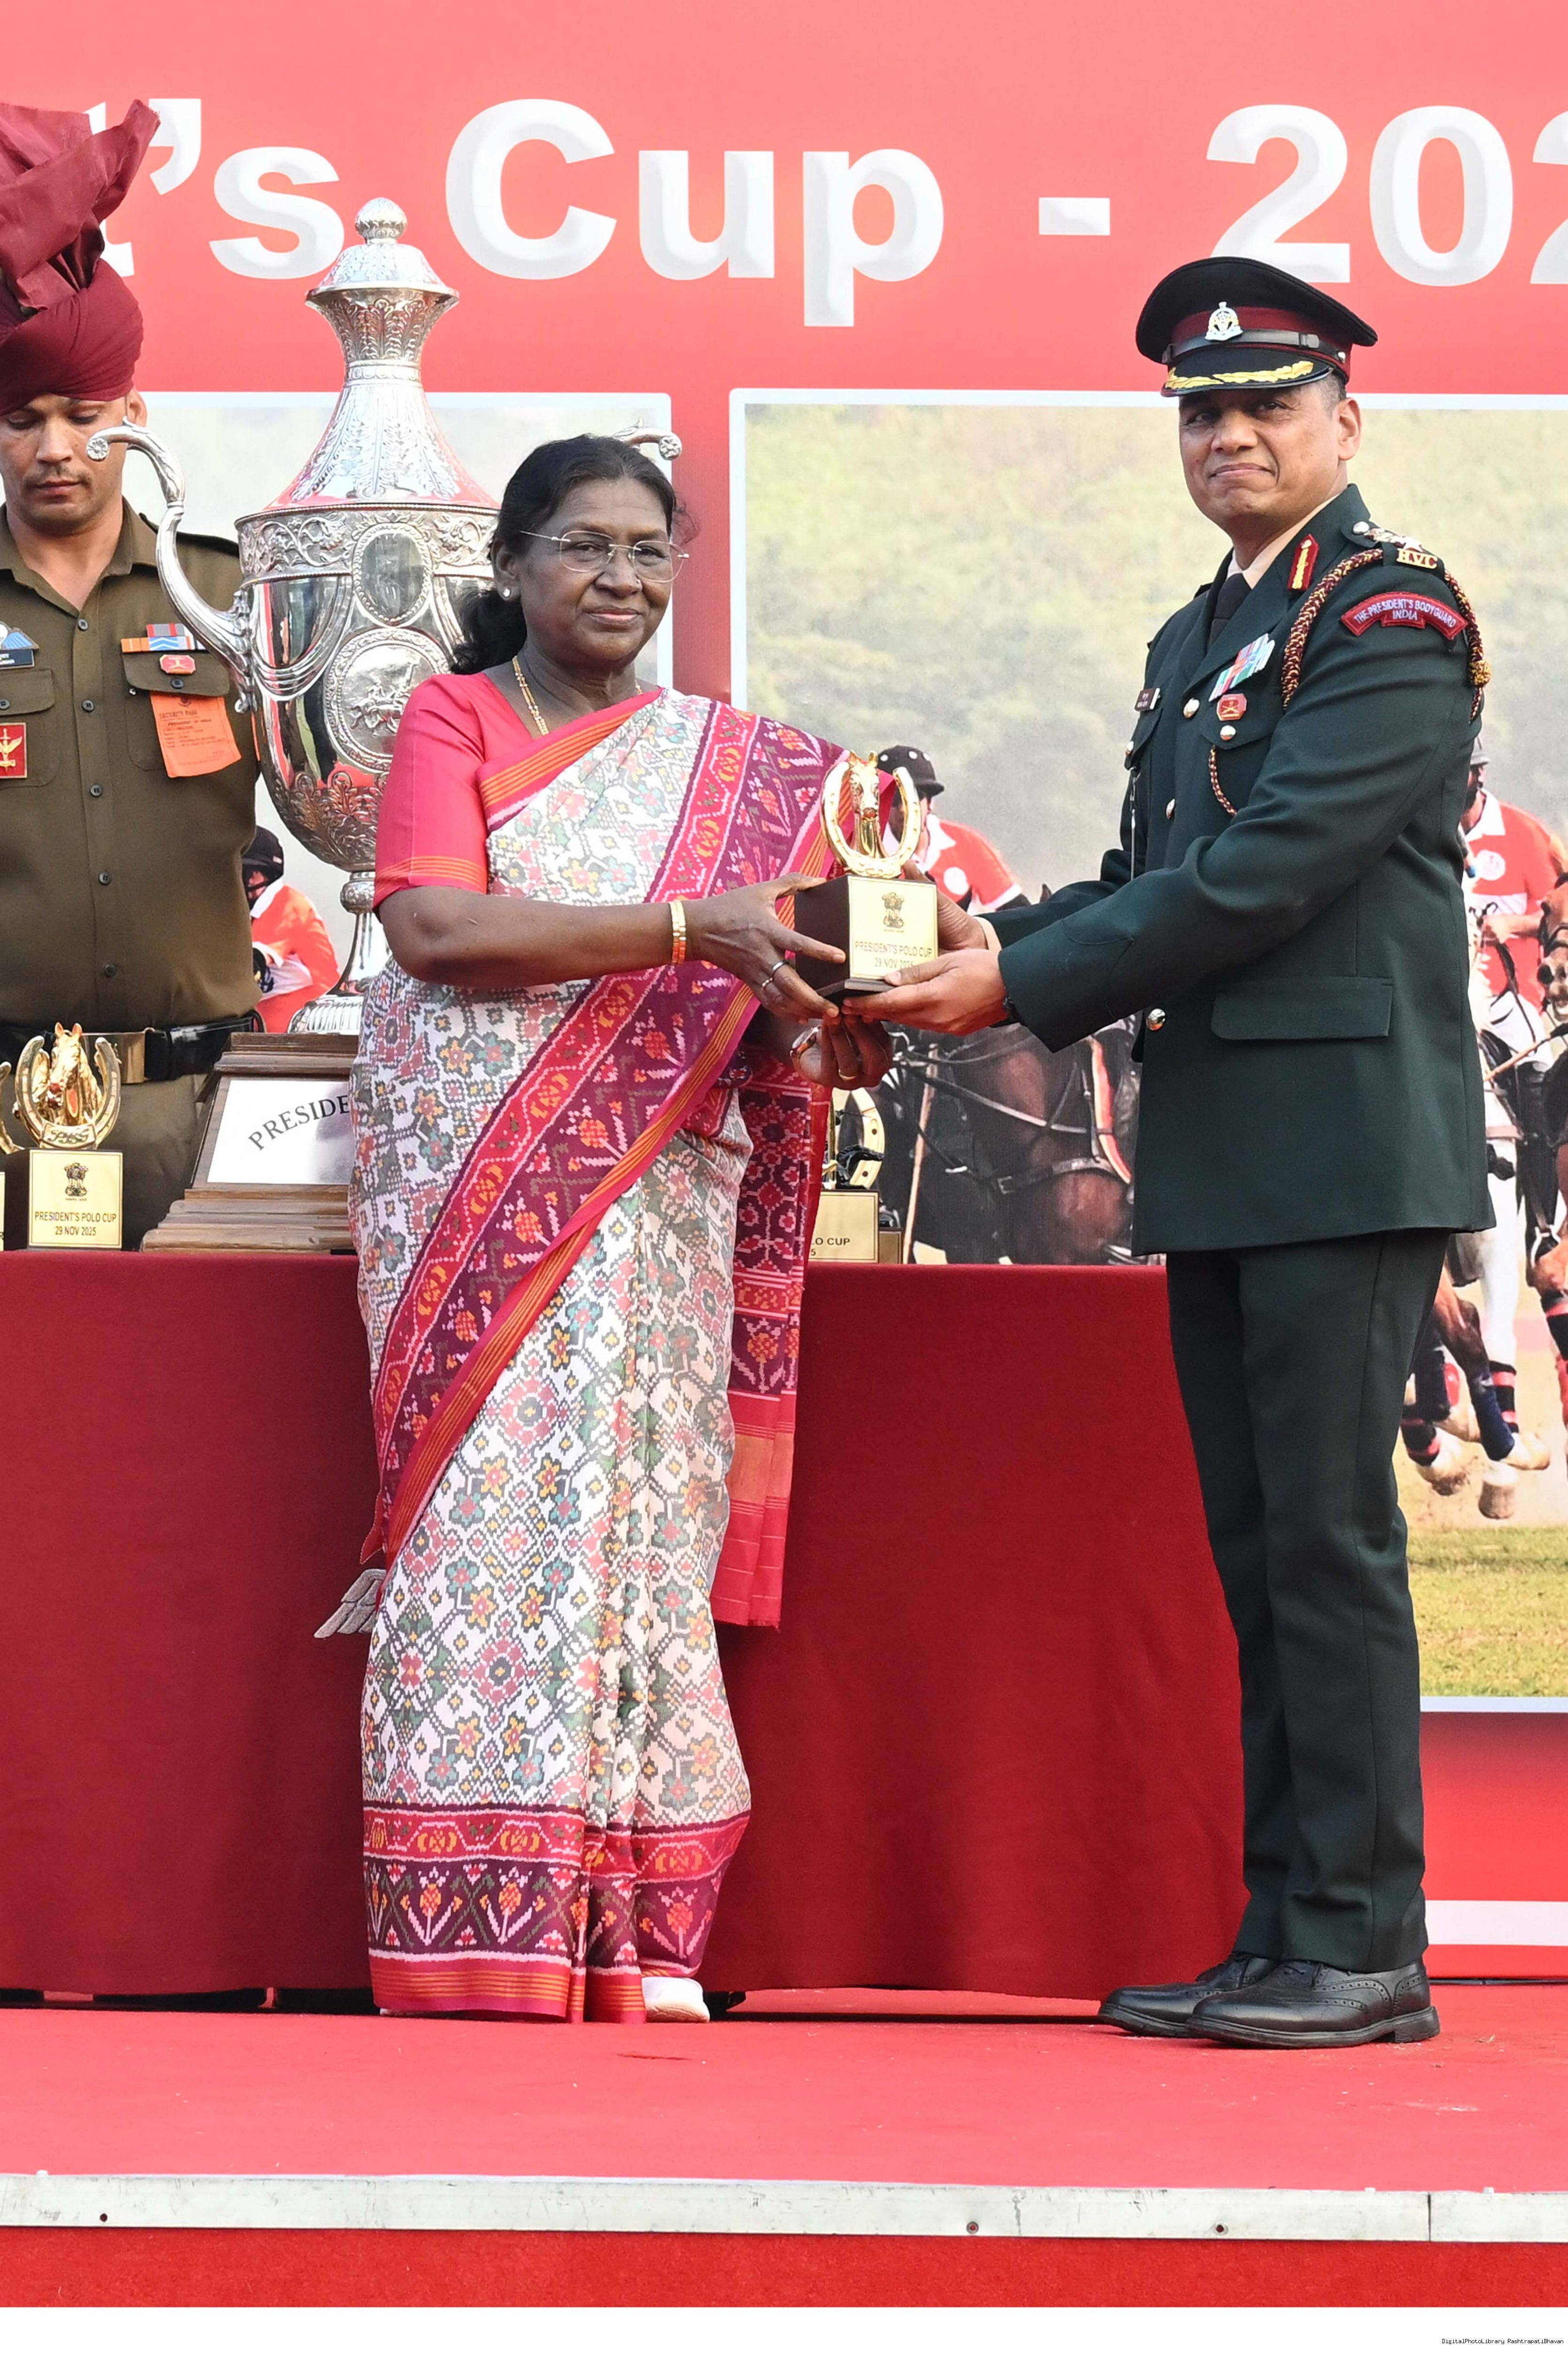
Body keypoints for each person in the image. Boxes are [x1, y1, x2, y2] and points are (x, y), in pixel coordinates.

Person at [875, 258, 1490, 2049]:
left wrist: (1019, 982)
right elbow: (1152, 879)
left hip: (1340, 1153)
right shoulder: (1198, 634)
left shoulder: (1386, 618)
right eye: (1197, 411)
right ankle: (1287, 1927)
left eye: (1263, 405)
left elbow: (1263, 872)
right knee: (1261, 1549)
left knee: (1325, 1547)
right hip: (1228, 1148)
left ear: (1342, 421)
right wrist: (973, 938)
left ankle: (1359, 1941)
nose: (1226, 434)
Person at [345, 434, 908, 2023]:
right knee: (492, 1528)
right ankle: (483, 1919)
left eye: (648, 551)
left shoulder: (741, 772)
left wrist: (830, 1016)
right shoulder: (453, 716)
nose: (619, 577)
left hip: (658, 1198)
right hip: (480, 1203)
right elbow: (432, 927)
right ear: (512, 564)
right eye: (583, 545)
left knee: (645, 1523)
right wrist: (683, 928)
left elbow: (771, 994)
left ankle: (642, 1928)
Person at [0, 102, 260, 1248]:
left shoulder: (232, 596)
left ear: (135, 418)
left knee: (197, 1361)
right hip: (3, 1106)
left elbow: (343, 793)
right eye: (22, 420)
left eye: (84, 416)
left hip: (196, 1109)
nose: (56, 447)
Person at [873, 741, 1029, 913]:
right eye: (895, 798)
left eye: (914, 797)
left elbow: (1015, 909)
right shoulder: (864, 856)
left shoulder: (966, 843)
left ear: (930, 803)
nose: (904, 809)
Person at [243, 828, 339, 1032]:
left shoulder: (287, 903)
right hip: (272, 1030)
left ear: (260, 875)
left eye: (245, 872)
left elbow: (255, 961)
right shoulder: (250, 912)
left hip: (309, 1027)